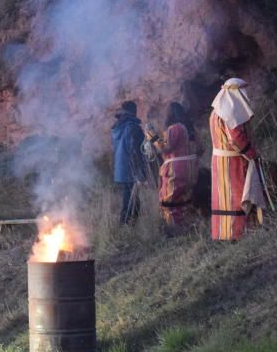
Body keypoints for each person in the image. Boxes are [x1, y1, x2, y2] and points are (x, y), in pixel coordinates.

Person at [209, 78, 267, 241]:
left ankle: (223, 232)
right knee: (238, 196)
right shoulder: (230, 111)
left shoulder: (216, 111)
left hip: (219, 162)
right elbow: (236, 138)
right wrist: (252, 154)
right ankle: (239, 232)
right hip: (233, 162)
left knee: (223, 198)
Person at [147, 102, 199, 234]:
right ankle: (189, 225)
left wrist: (152, 136)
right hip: (191, 168)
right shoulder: (190, 128)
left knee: (169, 199)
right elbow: (201, 149)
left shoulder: (175, 128)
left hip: (176, 170)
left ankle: (174, 229)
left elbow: (165, 147)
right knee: (184, 198)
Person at [111, 100, 148, 226]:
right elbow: (134, 150)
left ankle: (132, 222)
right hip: (131, 167)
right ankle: (125, 223)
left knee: (130, 194)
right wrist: (139, 171)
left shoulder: (117, 127)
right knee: (130, 196)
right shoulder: (132, 127)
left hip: (120, 168)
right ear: (133, 111)